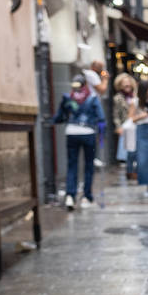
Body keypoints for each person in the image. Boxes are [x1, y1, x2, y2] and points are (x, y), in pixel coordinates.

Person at [54, 74, 104, 210]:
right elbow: (101, 117)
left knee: (72, 165)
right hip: (88, 133)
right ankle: (86, 196)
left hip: (71, 132)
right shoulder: (93, 98)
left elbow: (59, 116)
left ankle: (70, 195)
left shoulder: (68, 98)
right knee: (89, 165)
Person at [113, 72, 138, 181]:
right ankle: (130, 171)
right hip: (127, 126)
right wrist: (118, 127)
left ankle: (135, 171)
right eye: (124, 85)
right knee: (130, 151)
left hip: (137, 124)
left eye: (128, 85)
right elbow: (116, 114)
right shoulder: (118, 98)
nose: (127, 87)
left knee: (136, 150)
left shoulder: (136, 96)